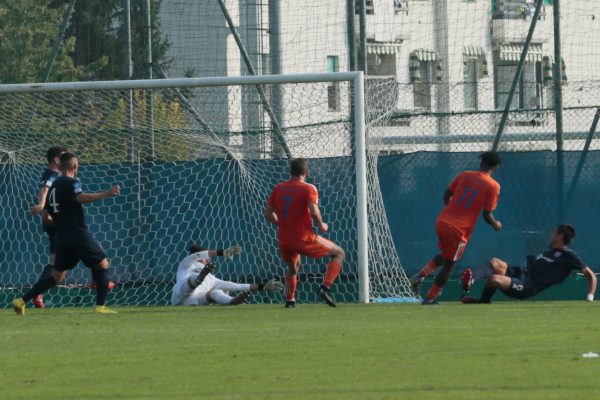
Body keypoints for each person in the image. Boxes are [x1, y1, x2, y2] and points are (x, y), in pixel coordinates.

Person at [12, 152, 120, 315]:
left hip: (62, 237)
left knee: (56, 277)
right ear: (75, 166)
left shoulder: (53, 186)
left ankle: (21, 301)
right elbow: (80, 197)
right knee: (102, 264)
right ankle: (100, 307)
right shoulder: (72, 182)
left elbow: (47, 214)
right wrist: (106, 194)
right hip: (78, 234)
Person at [412, 151, 503, 304]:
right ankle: (430, 297)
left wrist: (451, 212)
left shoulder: (465, 174)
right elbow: (487, 215)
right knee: (449, 265)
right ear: (496, 167)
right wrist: (496, 224)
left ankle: (420, 276)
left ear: (481, 163)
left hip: (442, 221)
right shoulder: (493, 186)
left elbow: (446, 195)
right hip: (458, 230)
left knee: (446, 255)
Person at [264, 158, 345, 308]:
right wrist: (322, 225)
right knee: (339, 253)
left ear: (290, 172)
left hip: (285, 240)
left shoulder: (279, 188)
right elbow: (314, 211)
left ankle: (290, 300)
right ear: (306, 172)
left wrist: (281, 224)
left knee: (293, 267)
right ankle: (325, 288)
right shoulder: (309, 188)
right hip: (304, 238)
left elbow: (268, 213)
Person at [461, 224, 597, 303]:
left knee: (494, 279)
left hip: (528, 286)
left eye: (554, 232)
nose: (551, 234)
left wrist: (589, 297)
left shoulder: (569, 255)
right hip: (520, 273)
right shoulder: (548, 252)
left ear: (560, 236)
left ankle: (483, 302)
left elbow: (591, 276)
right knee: (495, 262)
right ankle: (471, 279)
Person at [171, 244, 283, 306]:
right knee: (193, 278)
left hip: (193, 302)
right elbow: (195, 256)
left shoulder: (211, 279)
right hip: (180, 294)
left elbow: (235, 286)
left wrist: (263, 286)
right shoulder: (186, 265)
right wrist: (221, 252)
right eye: (206, 257)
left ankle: (232, 300)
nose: (208, 259)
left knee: (216, 292)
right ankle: (199, 277)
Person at [28, 146, 67, 308]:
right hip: (55, 222)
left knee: (58, 263)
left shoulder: (54, 174)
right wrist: (42, 205)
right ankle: (100, 276)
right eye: (63, 157)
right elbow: (44, 189)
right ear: (56, 160)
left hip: (55, 221)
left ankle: (38, 292)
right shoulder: (53, 174)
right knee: (79, 248)